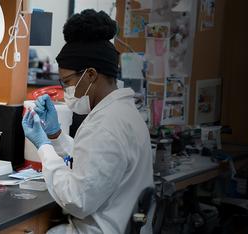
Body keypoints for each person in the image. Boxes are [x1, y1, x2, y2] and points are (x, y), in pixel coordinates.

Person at [21, 9, 154, 234]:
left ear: (91, 75)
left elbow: (76, 199)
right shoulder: (122, 112)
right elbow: (95, 161)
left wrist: (44, 147)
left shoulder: (106, 125)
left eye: (67, 82)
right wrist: (56, 136)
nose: (65, 92)